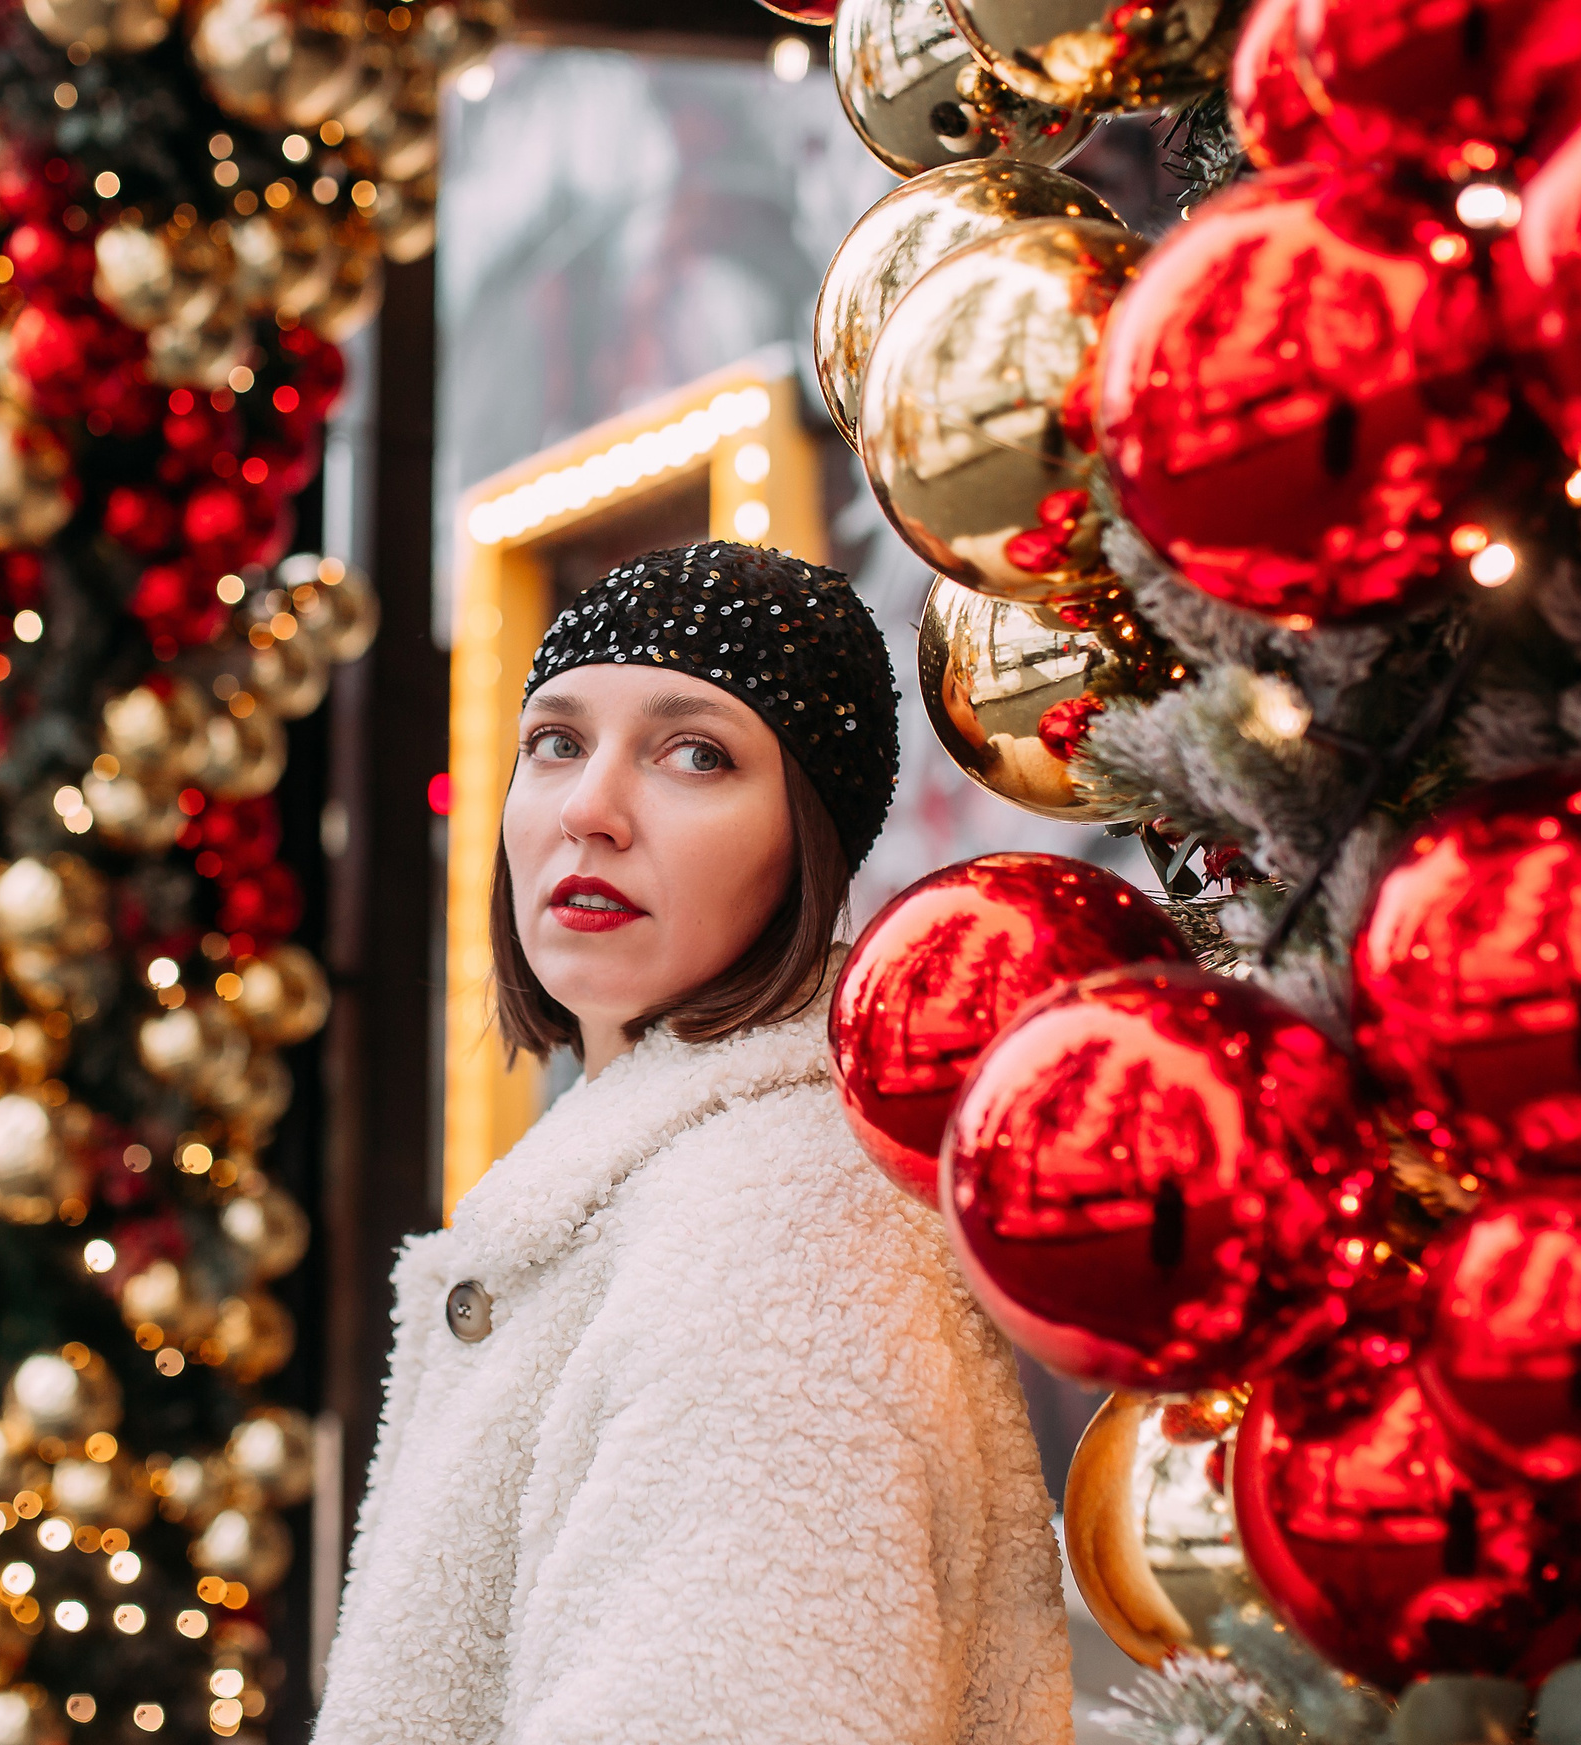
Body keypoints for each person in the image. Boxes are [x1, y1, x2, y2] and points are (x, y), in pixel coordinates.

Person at [314, 543, 1072, 1744]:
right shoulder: (660, 1175)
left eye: (695, 753)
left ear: (806, 842)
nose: (589, 809)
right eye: (556, 740)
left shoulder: (777, 1230)